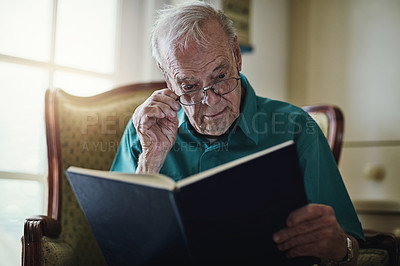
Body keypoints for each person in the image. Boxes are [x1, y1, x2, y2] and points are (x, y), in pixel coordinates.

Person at [111, 1, 364, 264]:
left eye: (220, 77)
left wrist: (340, 246)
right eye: (189, 86)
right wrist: (149, 162)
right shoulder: (145, 131)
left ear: (237, 56)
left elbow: (352, 245)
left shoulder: (297, 129)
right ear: (167, 77)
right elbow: (116, 243)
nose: (210, 101)